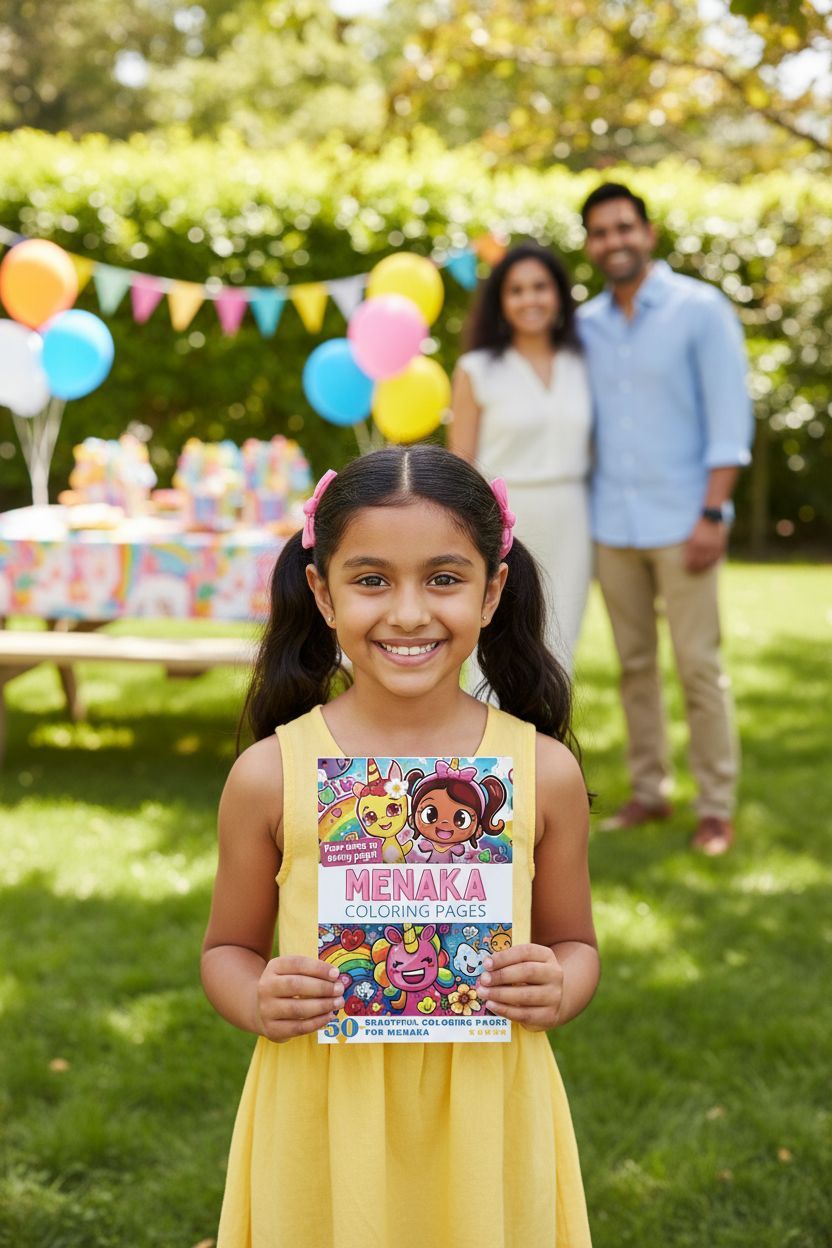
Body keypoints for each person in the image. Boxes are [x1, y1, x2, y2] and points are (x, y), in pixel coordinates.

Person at [202, 444, 599, 1248]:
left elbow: (576, 943)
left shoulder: (542, 772)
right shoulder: (269, 775)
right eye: (372, 579)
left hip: (491, 1115)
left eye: (444, 579)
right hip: (322, 1114)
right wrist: (256, 998)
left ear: (492, 593)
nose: (409, 613)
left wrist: (558, 983)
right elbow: (227, 950)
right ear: (322, 592)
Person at [578, 182, 753, 856]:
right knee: (633, 667)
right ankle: (650, 791)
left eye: (625, 227)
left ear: (647, 233)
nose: (614, 240)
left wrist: (713, 512)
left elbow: (729, 422)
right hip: (611, 527)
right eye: (600, 231)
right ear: (591, 244)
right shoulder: (586, 326)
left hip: (685, 522)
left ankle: (716, 806)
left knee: (699, 667)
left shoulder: (699, 310)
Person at [449, 242, 593, 670]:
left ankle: (547, 736)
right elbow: (461, 464)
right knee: (496, 638)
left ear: (558, 294)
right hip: (505, 518)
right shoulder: (477, 369)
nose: (530, 299)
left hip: (573, 517)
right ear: (501, 301)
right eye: (516, 290)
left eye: (540, 287)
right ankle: (485, 735)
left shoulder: (584, 362)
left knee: (561, 639)